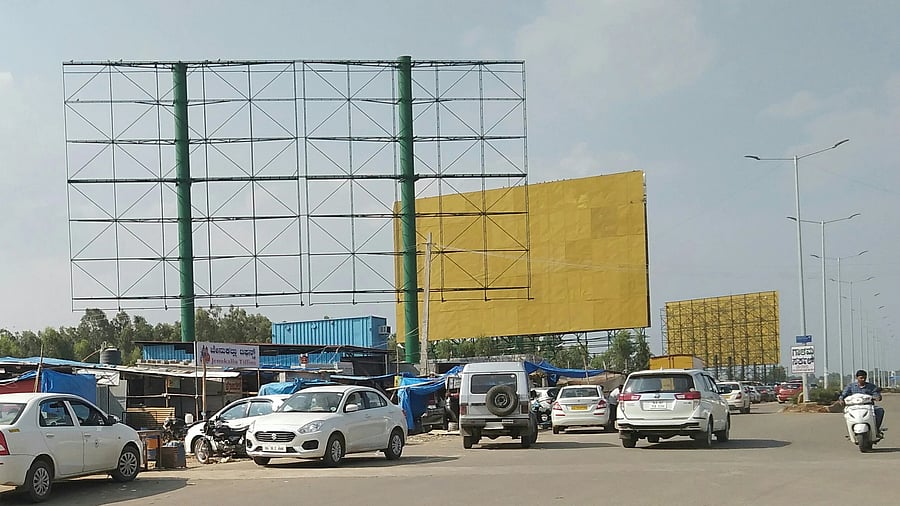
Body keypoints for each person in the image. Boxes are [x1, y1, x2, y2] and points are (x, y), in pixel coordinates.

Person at [840, 369, 884, 435]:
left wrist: (877, 397)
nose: (863, 379)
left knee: (880, 411)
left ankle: (876, 429)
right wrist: (841, 399)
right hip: (854, 407)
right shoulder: (851, 386)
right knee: (846, 414)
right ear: (857, 378)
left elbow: (876, 394)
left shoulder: (871, 387)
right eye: (861, 378)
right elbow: (844, 394)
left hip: (868, 407)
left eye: (864, 378)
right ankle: (851, 431)